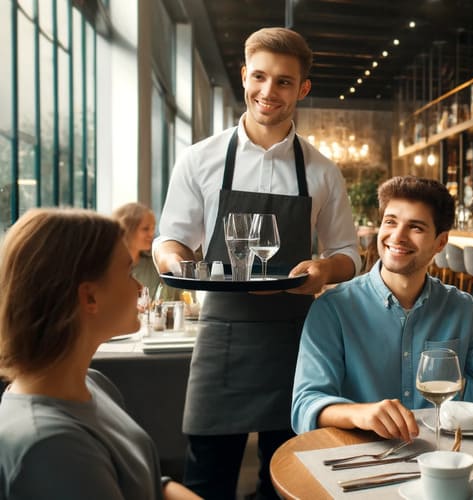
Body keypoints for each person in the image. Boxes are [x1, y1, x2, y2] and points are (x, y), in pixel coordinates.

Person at [153, 27, 360, 499]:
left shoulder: (323, 171)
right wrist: (175, 261)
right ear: (245, 75)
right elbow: (171, 239)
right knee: (208, 476)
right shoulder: (199, 159)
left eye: (285, 81)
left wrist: (324, 271)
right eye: (260, 77)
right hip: (222, 335)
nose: (269, 91)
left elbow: (349, 253)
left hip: (297, 338)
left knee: (287, 478)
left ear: (303, 88)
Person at [292, 176, 473, 439]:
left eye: (415, 227)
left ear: (440, 243)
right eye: (390, 222)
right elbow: (305, 405)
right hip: (360, 457)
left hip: (444, 457)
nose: (398, 236)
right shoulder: (332, 309)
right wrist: (360, 413)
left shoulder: (462, 308)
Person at [0, 208, 199, 500]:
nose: (139, 287)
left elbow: (148, 484)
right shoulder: (49, 447)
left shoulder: (93, 383)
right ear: (89, 297)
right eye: (128, 272)